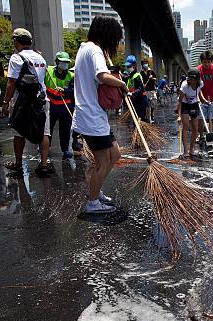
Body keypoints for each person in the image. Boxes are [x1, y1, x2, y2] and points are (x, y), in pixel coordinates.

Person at [72, 16, 126, 214]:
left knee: (115, 154)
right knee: (102, 161)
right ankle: (93, 203)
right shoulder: (94, 50)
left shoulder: (84, 49)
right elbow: (102, 76)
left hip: (93, 116)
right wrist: (121, 84)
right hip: (91, 117)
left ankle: (96, 190)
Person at [1, 28, 52, 176]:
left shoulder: (16, 58)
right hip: (41, 99)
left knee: (19, 132)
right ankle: (43, 165)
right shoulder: (40, 58)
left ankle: (18, 164)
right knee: (44, 132)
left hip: (22, 102)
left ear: (16, 41)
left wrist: (5, 102)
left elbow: (11, 83)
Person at [45, 51, 78, 159]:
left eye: (66, 62)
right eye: (63, 62)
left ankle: (65, 149)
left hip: (65, 106)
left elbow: (74, 91)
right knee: (48, 129)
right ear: (57, 62)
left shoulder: (71, 75)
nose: (65, 64)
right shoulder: (48, 71)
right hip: (50, 106)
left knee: (65, 130)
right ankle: (45, 147)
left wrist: (64, 90)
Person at [177, 68, 209, 158]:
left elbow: (199, 92)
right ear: (188, 79)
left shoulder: (200, 83)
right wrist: (179, 116)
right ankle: (185, 151)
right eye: (191, 79)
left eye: (195, 80)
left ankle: (191, 149)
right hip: (185, 105)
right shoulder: (184, 86)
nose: (193, 82)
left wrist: (204, 100)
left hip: (194, 104)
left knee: (195, 128)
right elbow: (179, 101)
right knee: (186, 126)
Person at [125, 55, 147, 122]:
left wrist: (132, 93)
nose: (128, 67)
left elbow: (140, 89)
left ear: (134, 66)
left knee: (139, 122)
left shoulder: (137, 76)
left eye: (129, 66)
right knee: (135, 122)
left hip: (141, 102)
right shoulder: (130, 77)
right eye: (127, 66)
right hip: (135, 101)